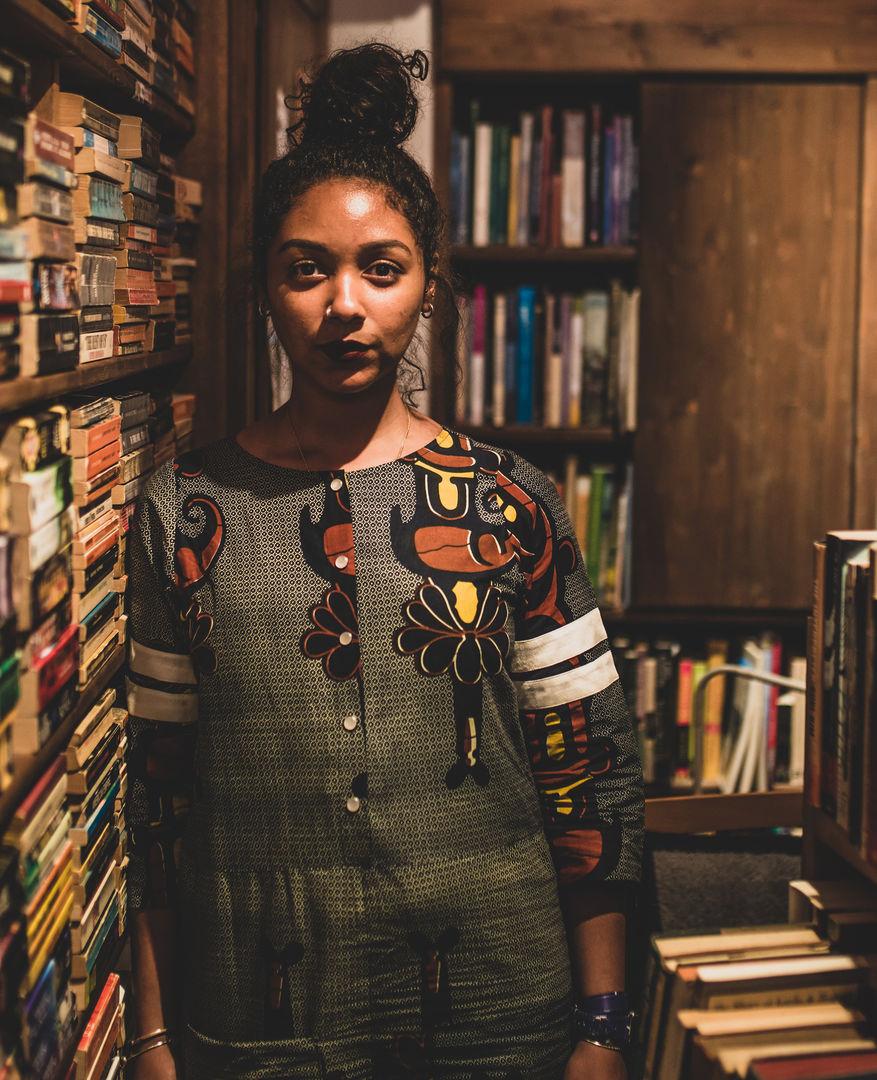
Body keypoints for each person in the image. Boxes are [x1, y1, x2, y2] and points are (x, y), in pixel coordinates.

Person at [124, 42, 644, 1080]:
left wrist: (599, 1030)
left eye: (382, 268)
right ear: (264, 288)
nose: (344, 306)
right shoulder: (184, 513)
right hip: (262, 1025)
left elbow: (587, 778)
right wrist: (150, 1034)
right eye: (306, 269)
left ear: (428, 285)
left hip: (503, 1023)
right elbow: (158, 804)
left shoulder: (509, 504)